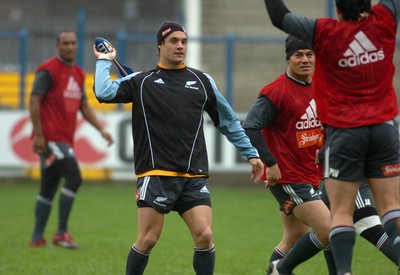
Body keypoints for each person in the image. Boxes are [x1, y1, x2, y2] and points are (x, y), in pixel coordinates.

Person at [92, 21, 264, 275]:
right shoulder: (141, 82)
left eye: (184, 41)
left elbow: (228, 122)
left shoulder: (202, 81)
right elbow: (103, 92)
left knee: (204, 235)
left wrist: (251, 153)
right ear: (160, 46)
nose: (180, 46)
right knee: (148, 239)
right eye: (173, 41)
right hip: (157, 174)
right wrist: (105, 60)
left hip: (193, 175)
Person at [263, 0, 400, 274]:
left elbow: (280, 16)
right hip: (385, 129)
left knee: (339, 215)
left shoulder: (325, 32)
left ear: (337, 10)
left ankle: (342, 272)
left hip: (345, 133)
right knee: (391, 208)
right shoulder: (384, 20)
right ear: (371, 5)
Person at [243, 35, 332, 275]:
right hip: (288, 176)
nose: (304, 60)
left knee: (293, 237)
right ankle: (281, 270)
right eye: (298, 55)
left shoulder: (321, 85)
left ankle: (275, 271)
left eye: (309, 54)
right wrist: (269, 163)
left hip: (309, 172)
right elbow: (250, 125)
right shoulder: (276, 91)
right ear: (288, 59)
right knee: (329, 230)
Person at [28, 31, 114, 249]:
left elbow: (84, 106)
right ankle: (61, 233)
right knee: (74, 178)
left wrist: (101, 130)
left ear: (77, 46)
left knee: (49, 186)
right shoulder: (48, 70)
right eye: (65, 43)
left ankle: (37, 239)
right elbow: (35, 100)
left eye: (73, 43)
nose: (69, 46)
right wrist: (39, 135)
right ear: (57, 45)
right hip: (50, 138)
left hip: (64, 138)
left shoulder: (77, 72)